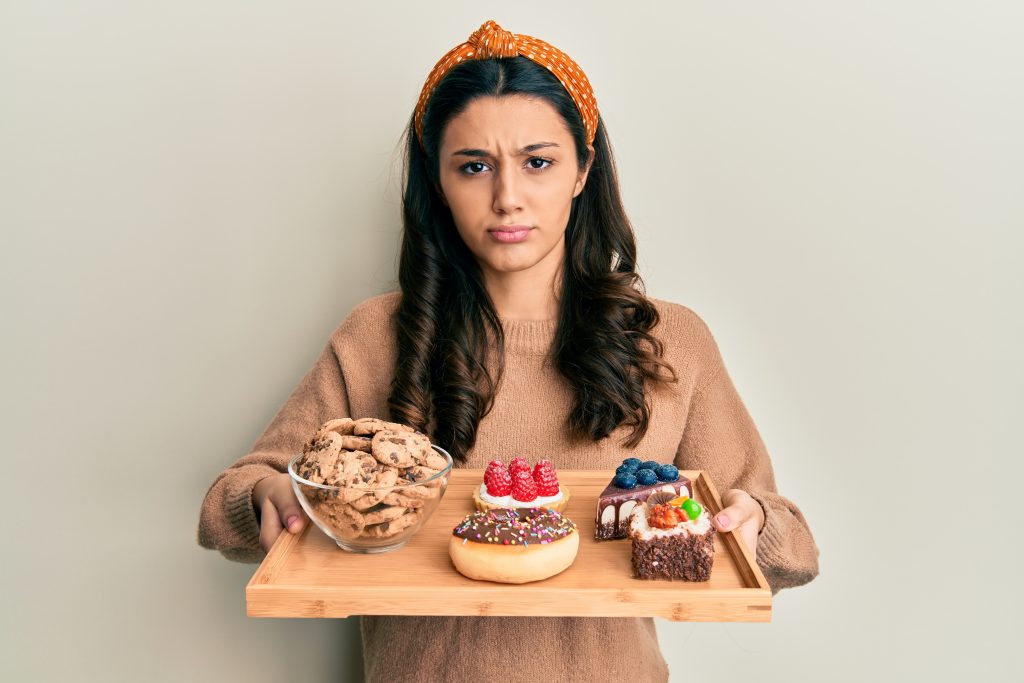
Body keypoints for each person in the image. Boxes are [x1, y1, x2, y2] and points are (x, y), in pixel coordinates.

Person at [198, 19, 819, 682]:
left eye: (538, 161)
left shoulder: (671, 341)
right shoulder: (377, 336)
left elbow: (792, 545)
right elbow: (229, 501)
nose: (507, 198)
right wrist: (268, 497)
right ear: (437, 182)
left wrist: (754, 522)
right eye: (474, 166)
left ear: (583, 170)